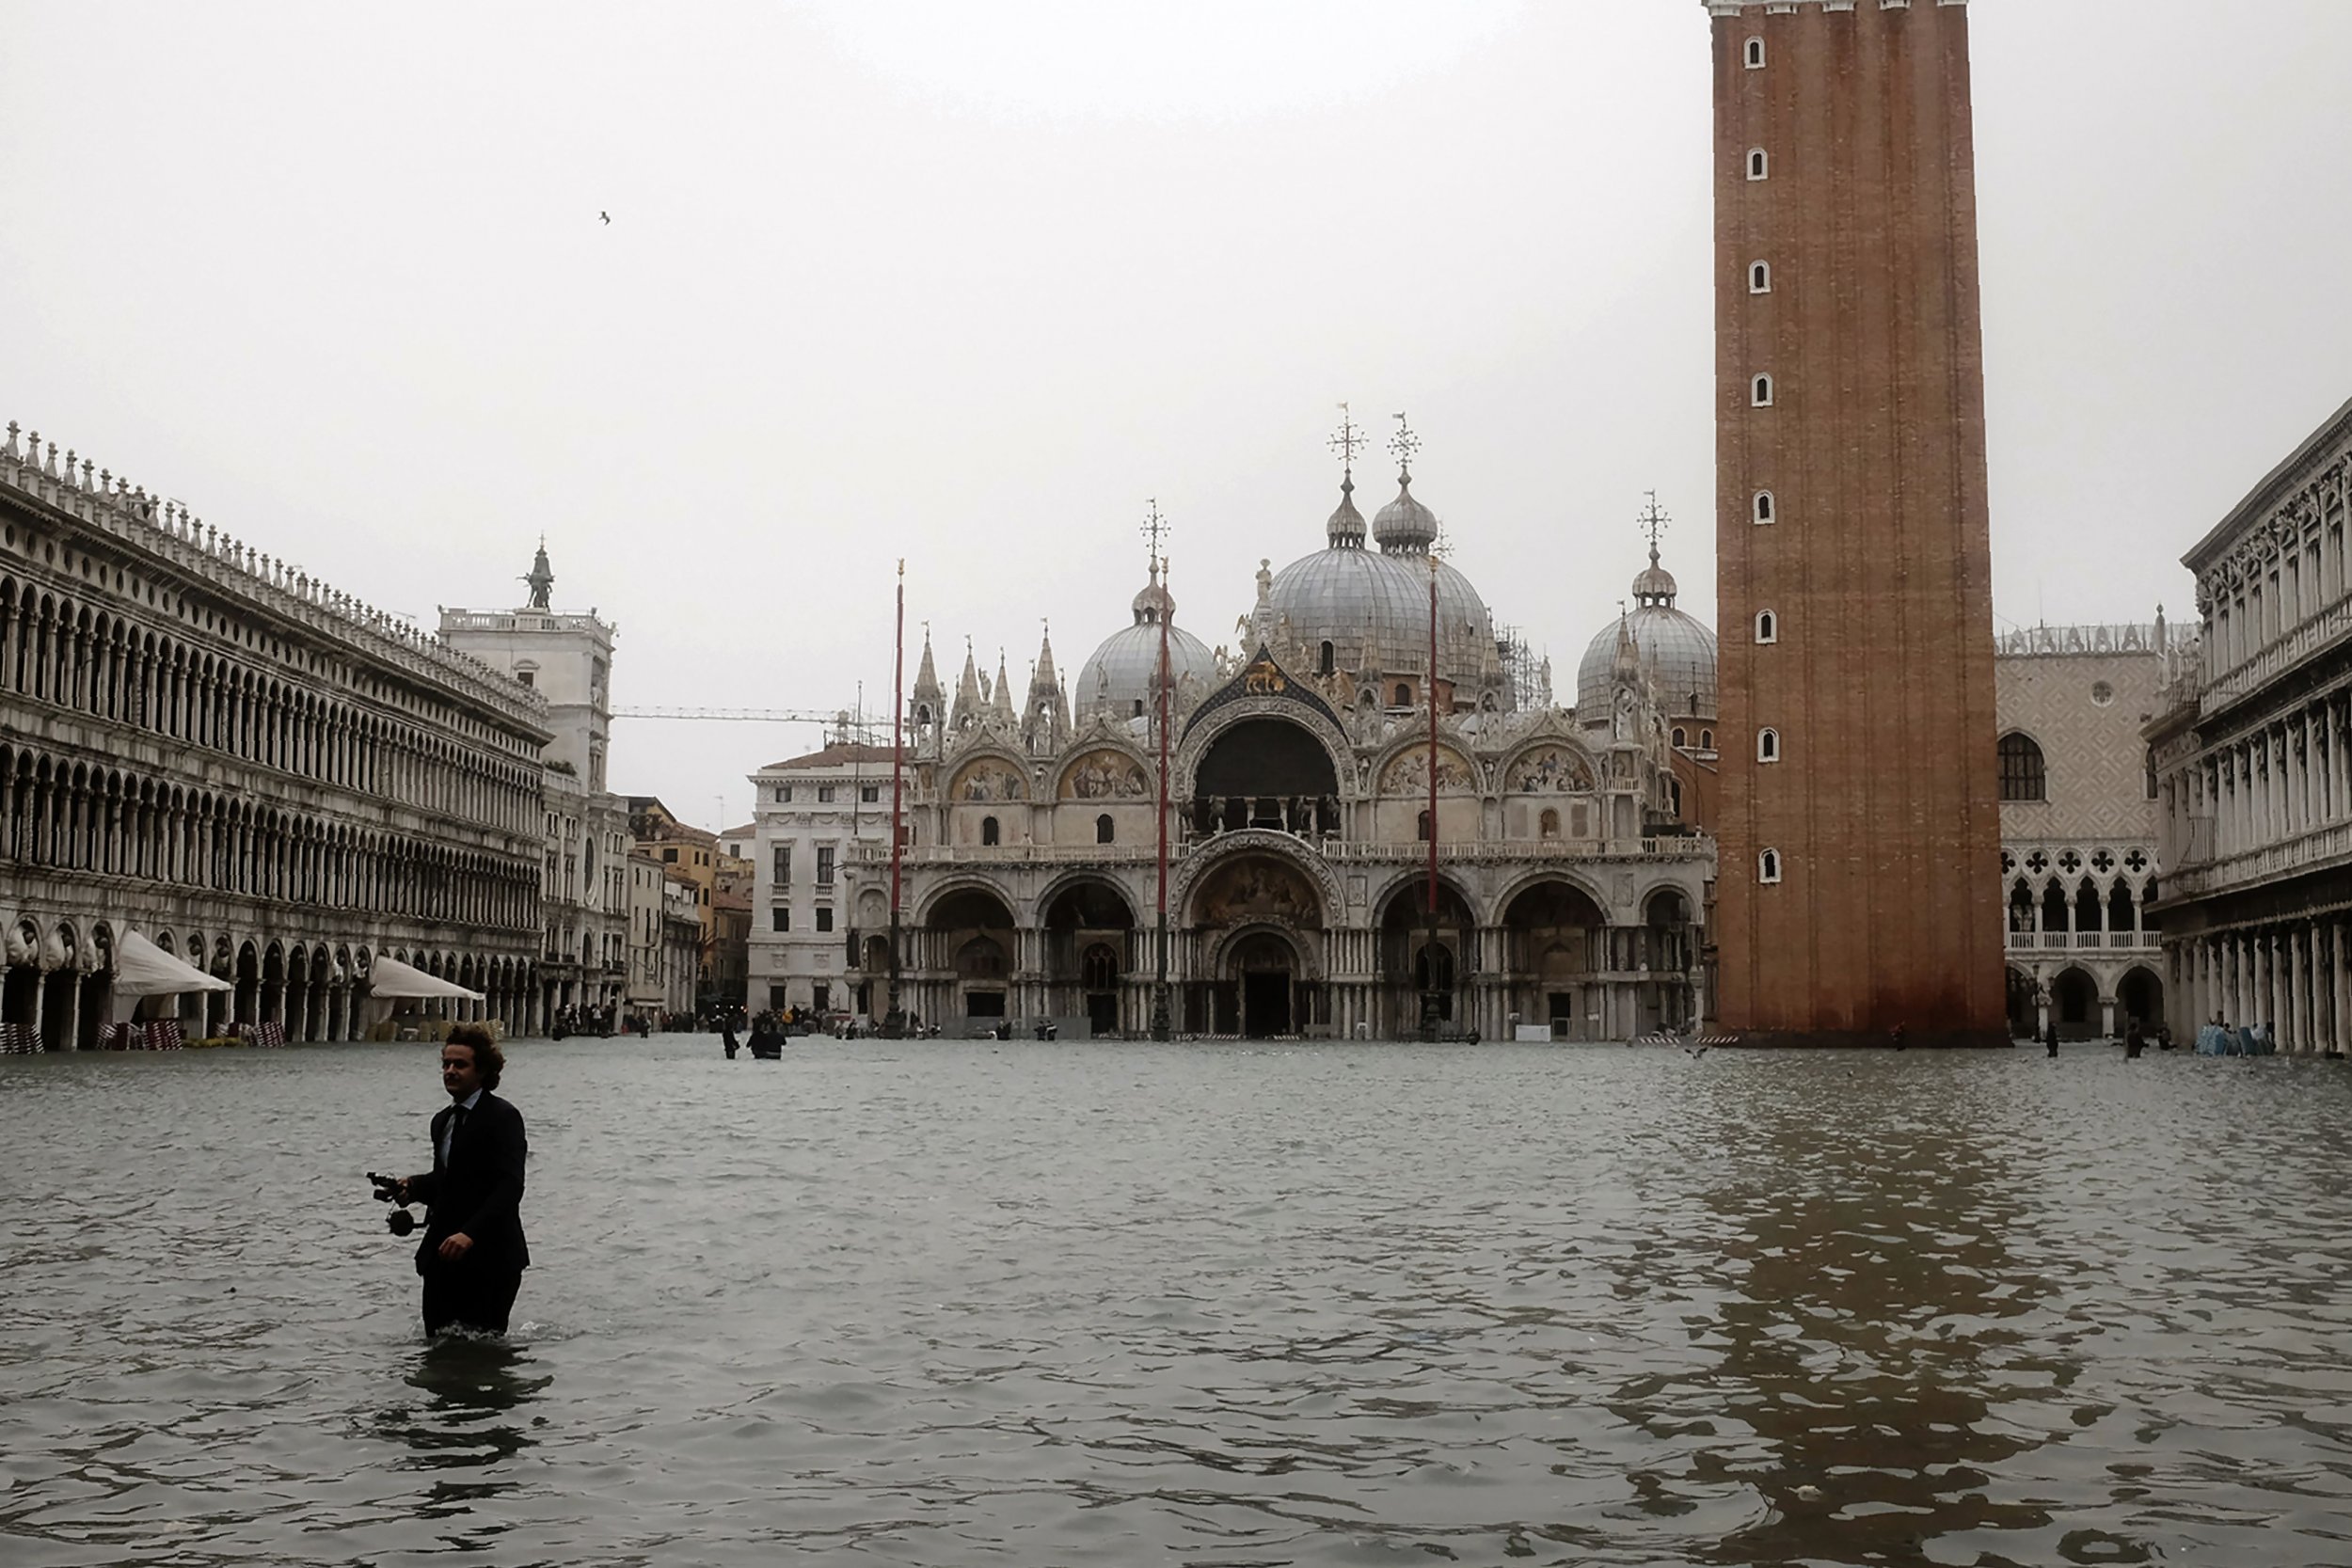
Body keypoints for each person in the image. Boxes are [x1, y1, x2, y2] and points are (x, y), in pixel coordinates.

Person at [394, 1026, 529, 1336]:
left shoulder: (504, 1117)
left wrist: (469, 1234)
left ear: (482, 1070)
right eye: (446, 1064)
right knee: (436, 1348)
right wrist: (412, 1188)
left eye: (460, 1064)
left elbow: (510, 1187)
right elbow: (448, 1181)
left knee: (484, 1351)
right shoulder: (442, 1120)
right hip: (442, 1255)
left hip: (492, 1257)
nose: (450, 1071)